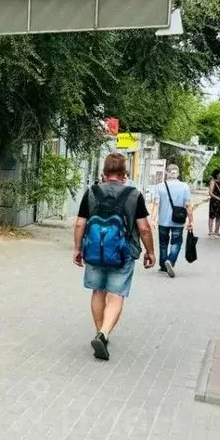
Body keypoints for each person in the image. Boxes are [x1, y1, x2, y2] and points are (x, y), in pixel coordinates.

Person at [74, 153, 156, 361]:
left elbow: (79, 223)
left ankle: (99, 332)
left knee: (98, 291)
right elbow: (144, 228)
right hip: (124, 252)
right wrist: (150, 252)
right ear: (124, 173)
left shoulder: (91, 192)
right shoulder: (133, 195)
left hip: (94, 251)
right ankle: (104, 333)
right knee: (117, 294)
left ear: (103, 172)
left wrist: (77, 249)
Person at [150, 164, 193, 278]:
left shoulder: (160, 186)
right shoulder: (184, 186)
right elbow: (188, 205)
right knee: (176, 242)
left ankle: (164, 266)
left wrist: (152, 220)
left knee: (163, 243)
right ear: (178, 173)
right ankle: (171, 260)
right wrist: (191, 221)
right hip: (178, 221)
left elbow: (156, 203)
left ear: (167, 173)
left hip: (163, 221)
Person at [207, 168, 220, 237]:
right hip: (214, 201)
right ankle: (210, 231)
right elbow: (210, 193)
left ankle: (217, 231)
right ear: (217, 175)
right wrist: (219, 198)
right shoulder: (213, 182)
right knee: (212, 216)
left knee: (219, 216)